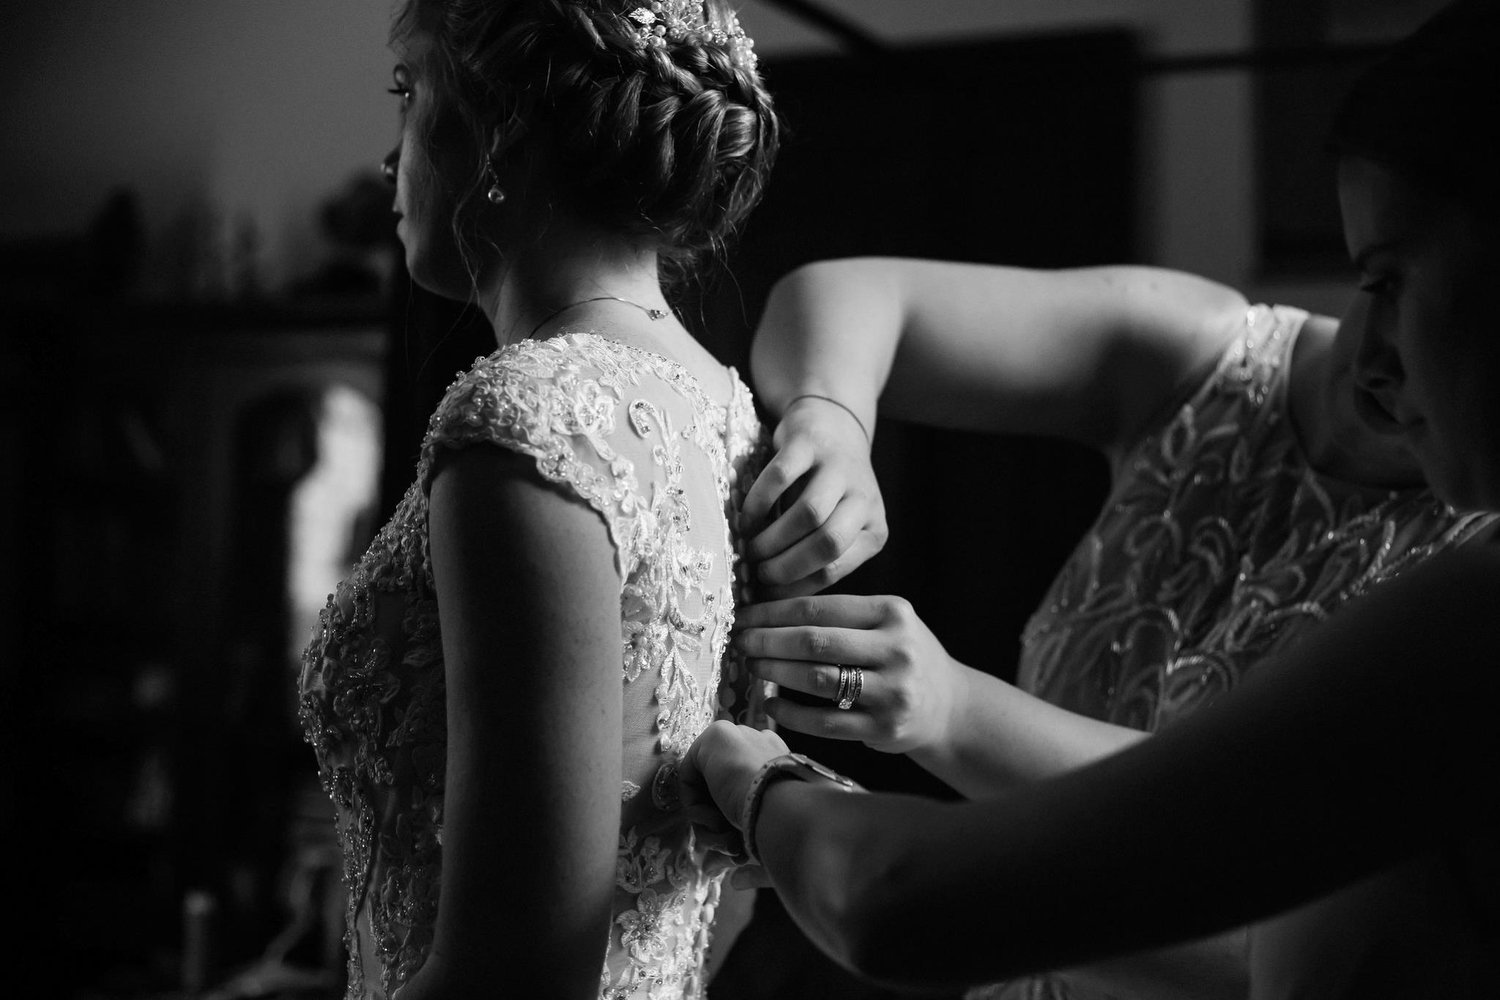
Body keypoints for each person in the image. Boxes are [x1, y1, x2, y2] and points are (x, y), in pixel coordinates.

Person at [693, 1, 1500, 997]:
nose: (1369, 346)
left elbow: (904, 902)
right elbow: (846, 297)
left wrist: (763, 774)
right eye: (1360, 273)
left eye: (1395, 279)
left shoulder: (1469, 606)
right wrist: (832, 422)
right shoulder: (1217, 359)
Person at [295, 2, 777, 998]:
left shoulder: (528, 419)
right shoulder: (718, 408)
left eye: (407, 97)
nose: (391, 164)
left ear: (502, 128)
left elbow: (512, 975)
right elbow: (728, 885)